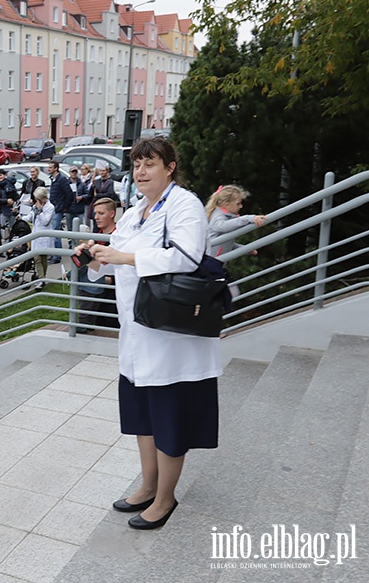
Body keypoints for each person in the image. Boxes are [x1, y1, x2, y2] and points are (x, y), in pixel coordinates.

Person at [77, 138, 222, 530]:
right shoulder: (135, 211)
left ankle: (165, 498)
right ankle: (147, 485)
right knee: (142, 416)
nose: (141, 172)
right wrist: (97, 253)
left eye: (150, 164)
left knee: (169, 418)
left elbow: (188, 255)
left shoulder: (184, 204)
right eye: (137, 165)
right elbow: (117, 257)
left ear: (170, 167)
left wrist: (124, 257)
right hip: (137, 330)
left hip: (171, 335)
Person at [77, 198, 118, 331]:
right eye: (95, 214)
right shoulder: (96, 237)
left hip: (112, 300)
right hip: (96, 296)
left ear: (112, 214)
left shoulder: (119, 237)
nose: (96, 217)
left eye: (101, 213)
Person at [205, 185, 267, 257]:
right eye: (238, 204)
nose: (241, 206)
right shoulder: (217, 216)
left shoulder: (226, 216)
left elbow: (225, 242)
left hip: (214, 260)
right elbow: (222, 226)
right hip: (210, 260)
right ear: (226, 204)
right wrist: (248, 218)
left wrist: (244, 249)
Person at [24, 187, 56, 291]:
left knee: (43, 259)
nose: (37, 201)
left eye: (38, 199)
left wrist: (40, 211)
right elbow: (30, 217)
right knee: (37, 259)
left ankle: (42, 279)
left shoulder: (50, 207)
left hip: (44, 236)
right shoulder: (35, 206)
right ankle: (41, 279)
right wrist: (20, 217)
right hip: (36, 236)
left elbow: (45, 221)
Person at [48, 160, 76, 262]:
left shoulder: (61, 179)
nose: (48, 169)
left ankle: (57, 256)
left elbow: (69, 194)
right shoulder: (53, 179)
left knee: (56, 232)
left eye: (51, 167)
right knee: (53, 231)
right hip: (53, 208)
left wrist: (64, 207)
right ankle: (54, 253)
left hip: (58, 209)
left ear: (56, 168)